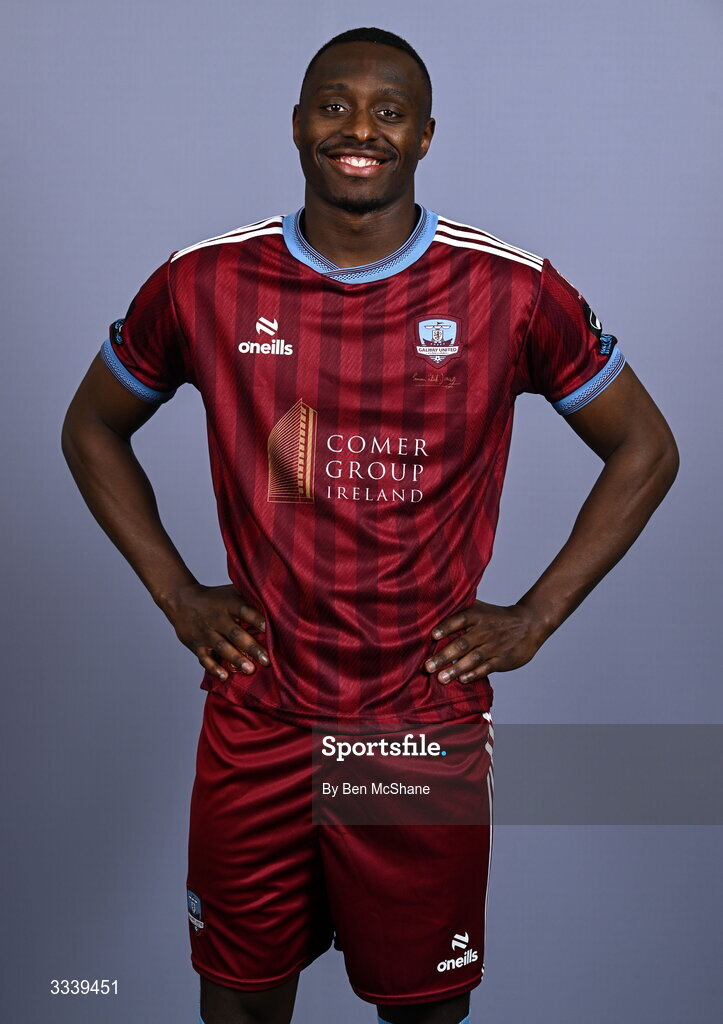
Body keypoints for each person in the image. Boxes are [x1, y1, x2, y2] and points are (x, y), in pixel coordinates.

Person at [61, 25, 679, 1024]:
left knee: (422, 1011)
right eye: (335, 105)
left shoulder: (508, 290)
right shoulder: (206, 281)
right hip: (257, 715)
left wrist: (535, 617)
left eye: (388, 110)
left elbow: (646, 448)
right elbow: (92, 425)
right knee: (241, 1002)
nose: (359, 128)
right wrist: (176, 591)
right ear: (298, 124)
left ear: (426, 135)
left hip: (415, 729)